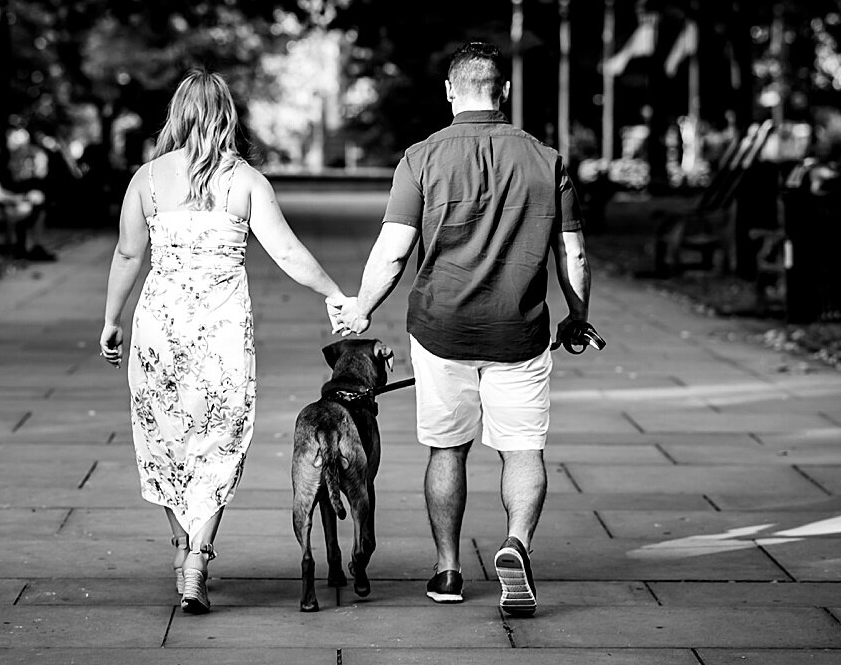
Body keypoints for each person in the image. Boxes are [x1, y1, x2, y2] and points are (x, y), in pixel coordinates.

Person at [334, 42, 591, 616]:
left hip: (440, 330)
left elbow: (394, 252)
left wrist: (362, 309)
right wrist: (577, 316)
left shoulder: (420, 158)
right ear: (503, 91)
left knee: (447, 450)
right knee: (523, 451)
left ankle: (448, 570)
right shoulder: (547, 160)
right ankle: (515, 545)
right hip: (519, 331)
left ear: (451, 92)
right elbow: (572, 253)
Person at [100, 68, 347, 615]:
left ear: (177, 115)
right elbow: (286, 252)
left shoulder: (148, 179)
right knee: (219, 442)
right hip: (222, 333)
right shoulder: (247, 182)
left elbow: (126, 255)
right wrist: (334, 294)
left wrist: (111, 318)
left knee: (163, 441)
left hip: (160, 330)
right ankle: (198, 560)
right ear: (227, 116)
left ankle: (183, 550)